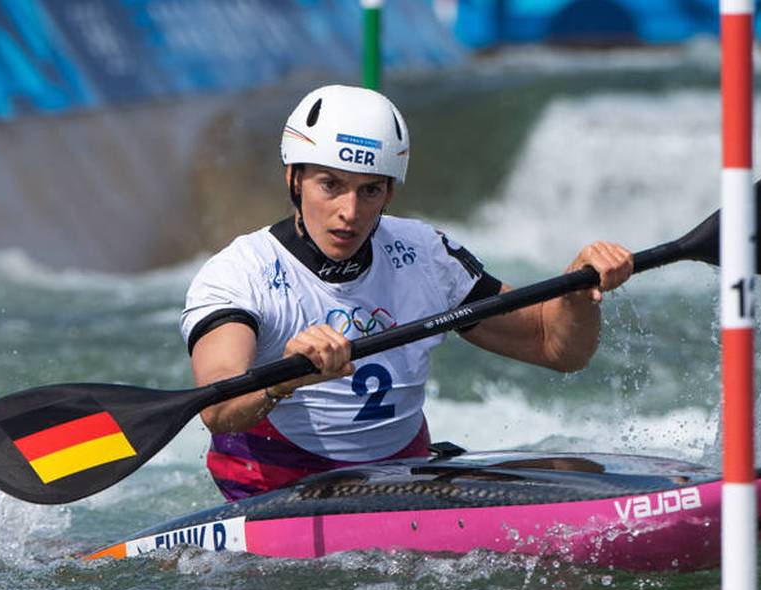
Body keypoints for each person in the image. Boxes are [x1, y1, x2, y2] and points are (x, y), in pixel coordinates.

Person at [181, 84, 633, 501]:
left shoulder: (424, 253)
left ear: (390, 191)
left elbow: (556, 347)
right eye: (330, 185)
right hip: (278, 490)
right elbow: (218, 408)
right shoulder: (239, 273)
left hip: (400, 480)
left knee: (580, 471)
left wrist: (577, 292)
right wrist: (283, 378)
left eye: (370, 190)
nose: (349, 213)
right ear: (294, 179)